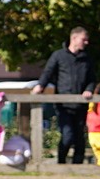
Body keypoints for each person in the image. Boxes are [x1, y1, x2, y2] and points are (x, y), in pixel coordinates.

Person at [32, 27, 95, 164]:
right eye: (83, 39)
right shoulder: (59, 56)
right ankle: (61, 163)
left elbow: (91, 79)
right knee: (67, 135)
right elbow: (48, 72)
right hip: (63, 104)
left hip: (81, 104)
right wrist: (40, 85)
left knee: (79, 137)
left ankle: (77, 167)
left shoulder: (87, 59)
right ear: (74, 38)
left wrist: (89, 89)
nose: (86, 42)